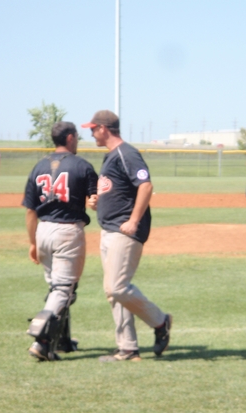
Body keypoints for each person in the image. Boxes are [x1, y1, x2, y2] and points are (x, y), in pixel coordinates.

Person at [82, 110, 172, 362]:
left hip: (124, 230)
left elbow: (145, 185)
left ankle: (160, 321)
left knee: (117, 287)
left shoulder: (126, 153)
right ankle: (127, 348)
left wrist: (133, 221)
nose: (90, 133)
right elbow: (119, 190)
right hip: (109, 228)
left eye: (93, 128)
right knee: (112, 292)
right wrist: (98, 201)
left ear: (104, 128)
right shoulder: (111, 156)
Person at [22, 121, 98, 361]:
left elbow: (30, 211)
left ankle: (61, 340)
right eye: (76, 136)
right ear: (69, 138)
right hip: (67, 232)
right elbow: (95, 200)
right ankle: (42, 341)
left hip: (42, 230)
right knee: (64, 290)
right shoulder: (83, 166)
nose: (77, 140)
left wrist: (33, 242)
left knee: (58, 289)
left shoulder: (39, 166)